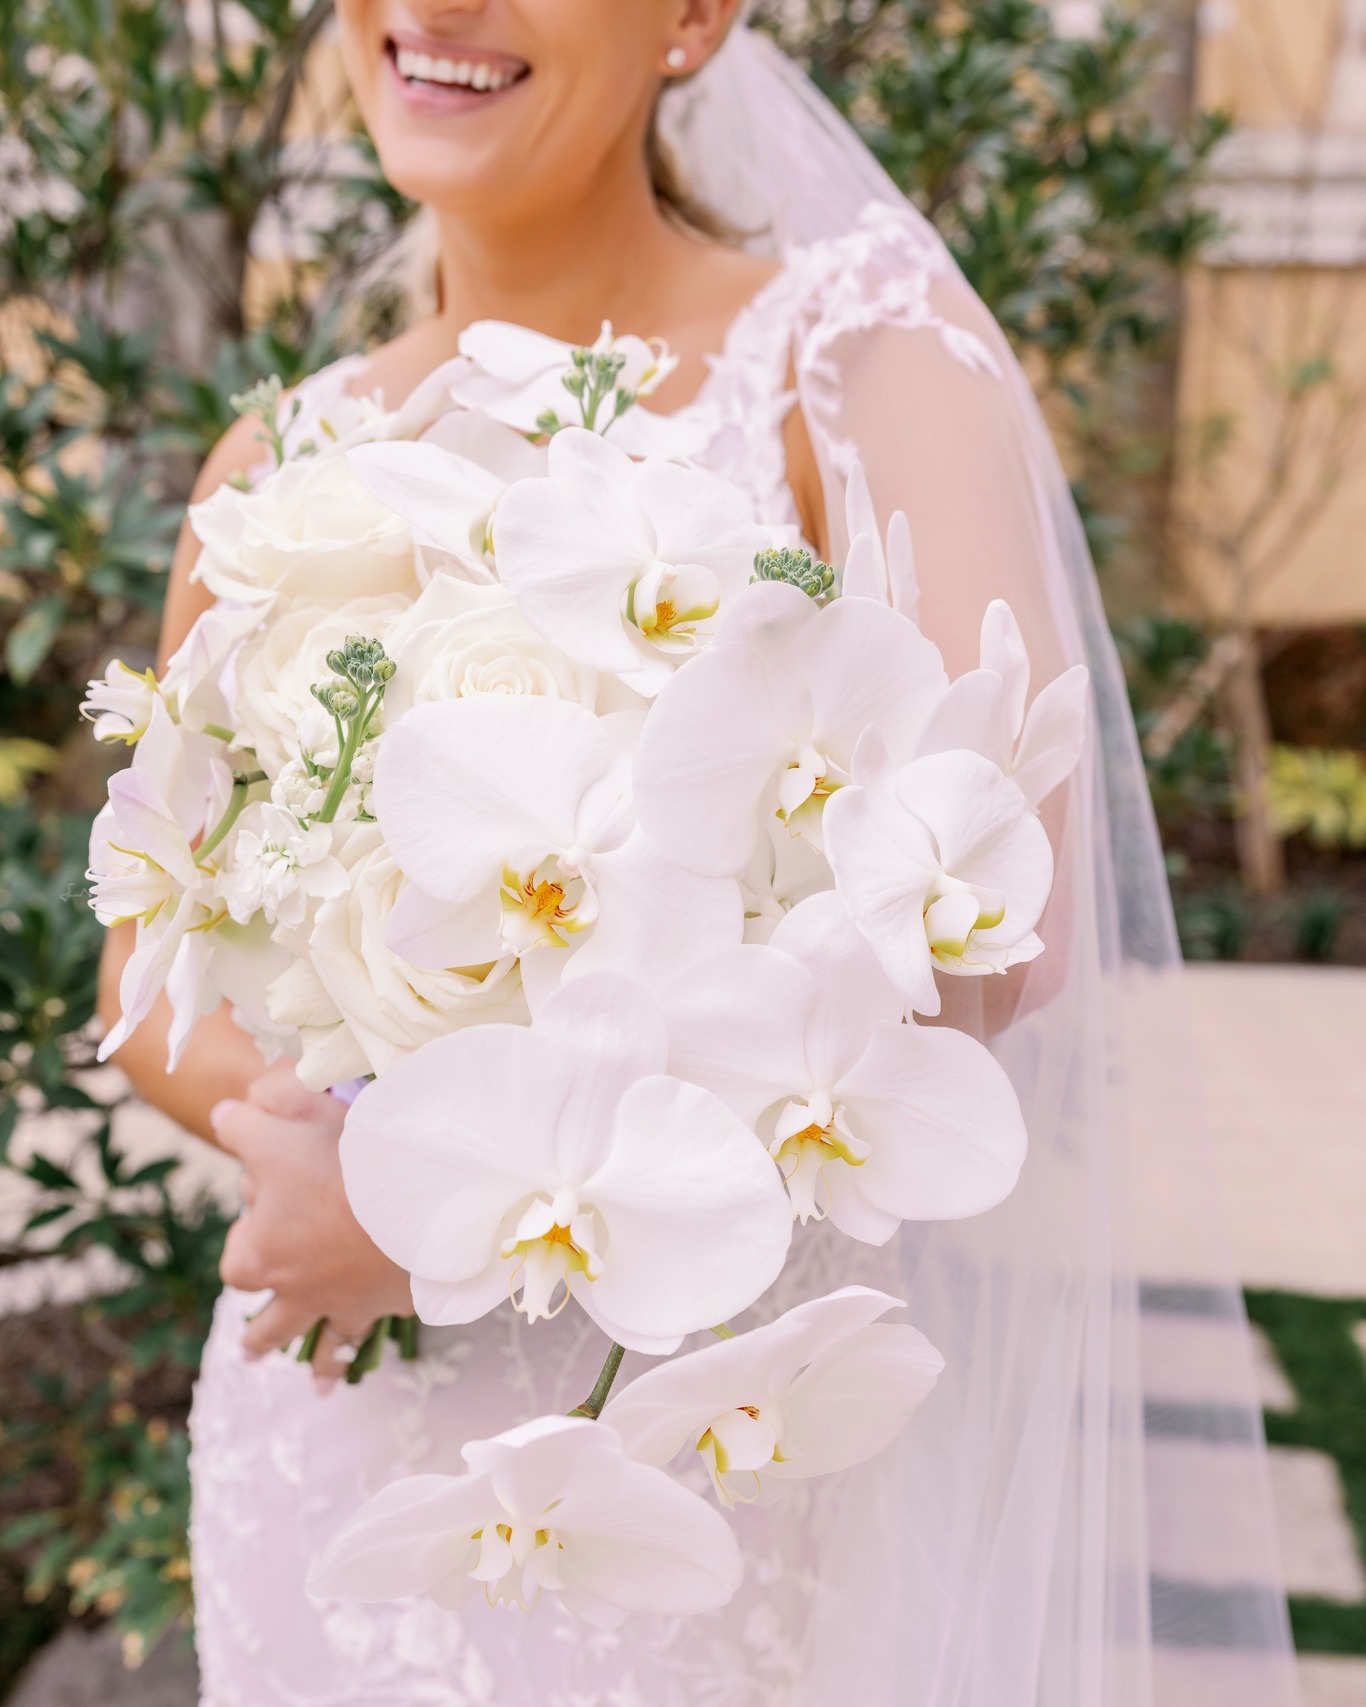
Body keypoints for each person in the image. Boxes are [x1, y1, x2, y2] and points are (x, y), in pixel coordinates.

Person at [98, 4, 1302, 1704]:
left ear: (692, 18)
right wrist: (337, 1171)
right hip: (334, 1424)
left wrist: (436, 1216)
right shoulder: (279, 475)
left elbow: (989, 927)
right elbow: (148, 975)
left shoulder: (861, 374)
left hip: (708, 1443)